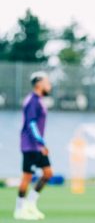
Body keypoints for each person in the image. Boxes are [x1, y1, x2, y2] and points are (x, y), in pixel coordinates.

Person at [14, 72, 53, 220]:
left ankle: (30, 205)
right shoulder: (32, 101)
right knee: (27, 177)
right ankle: (19, 210)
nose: (49, 85)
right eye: (47, 82)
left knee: (48, 173)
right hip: (30, 146)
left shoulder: (40, 100)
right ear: (38, 83)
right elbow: (31, 124)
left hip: (37, 146)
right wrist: (41, 143)